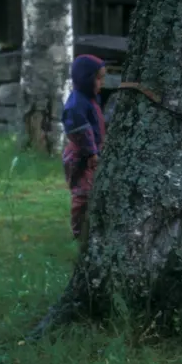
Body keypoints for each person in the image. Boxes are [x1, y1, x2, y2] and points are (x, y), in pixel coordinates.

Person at [62, 55, 107, 239]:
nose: (102, 83)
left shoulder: (91, 99)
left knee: (93, 192)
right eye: (98, 78)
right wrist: (92, 152)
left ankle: (92, 229)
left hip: (92, 154)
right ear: (86, 78)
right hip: (81, 157)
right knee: (83, 195)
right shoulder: (76, 104)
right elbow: (81, 131)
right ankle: (79, 232)